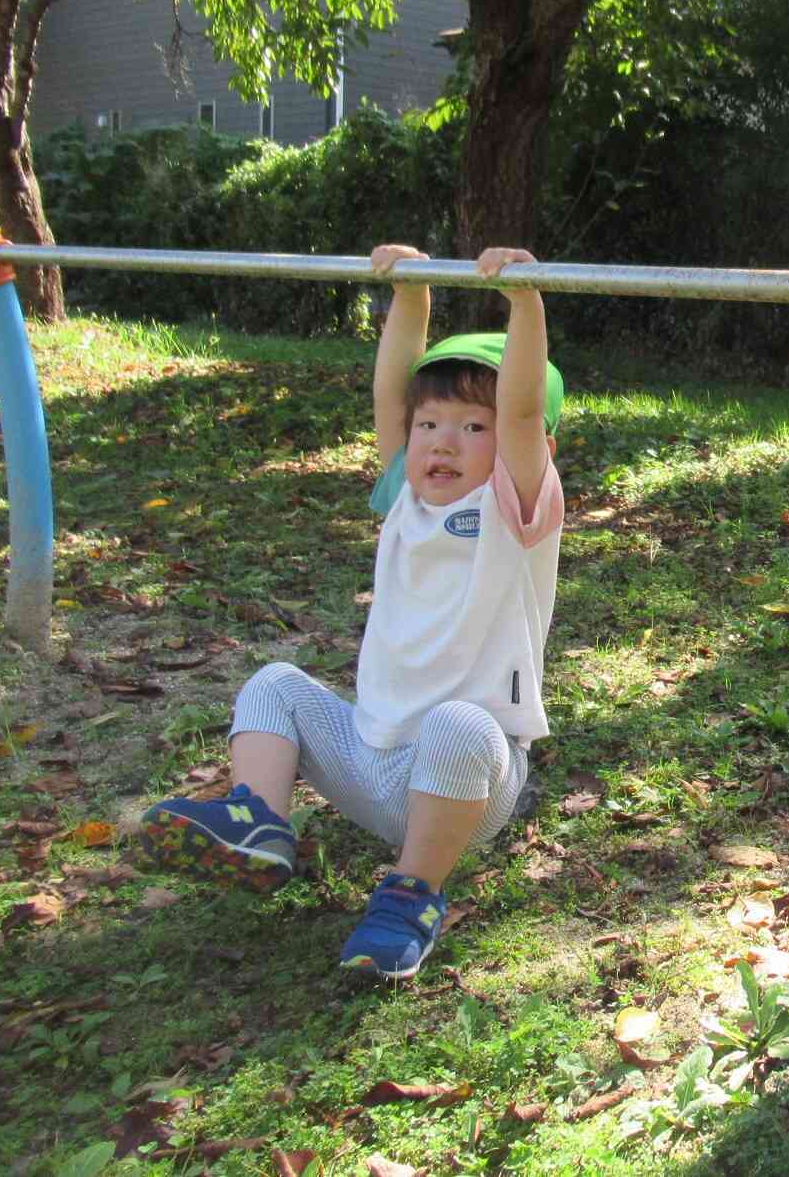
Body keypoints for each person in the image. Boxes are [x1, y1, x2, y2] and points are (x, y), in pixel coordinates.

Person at [137, 244, 567, 981]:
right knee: (274, 684)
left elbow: (522, 408)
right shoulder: (403, 496)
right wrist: (410, 292)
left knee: (461, 724)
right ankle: (259, 822)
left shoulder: (512, 511)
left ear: (524, 448)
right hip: (370, 761)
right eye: (431, 425)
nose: (442, 441)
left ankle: (411, 895)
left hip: (466, 783)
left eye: (473, 426)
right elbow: (390, 395)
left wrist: (525, 301)